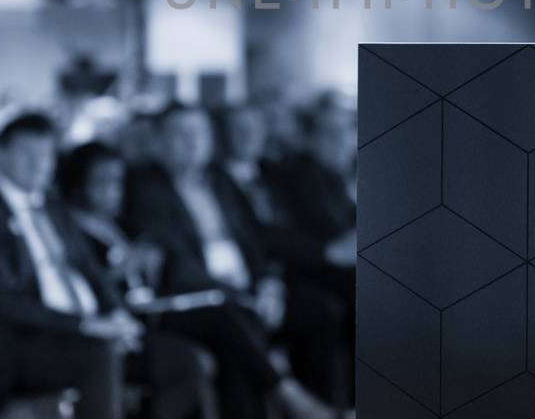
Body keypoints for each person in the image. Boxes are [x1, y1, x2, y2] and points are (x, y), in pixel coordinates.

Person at [0, 111, 203, 419]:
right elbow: (1, 301)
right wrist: (84, 326)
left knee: (179, 358)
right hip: (18, 347)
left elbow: (90, 269)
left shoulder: (53, 209)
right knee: (98, 356)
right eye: (26, 154)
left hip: (82, 331)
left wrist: (116, 313)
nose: (38, 164)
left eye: (46, 155)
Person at [60, 141, 338, 419]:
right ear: (79, 182)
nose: (112, 190)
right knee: (223, 320)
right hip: (133, 318)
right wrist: (121, 272)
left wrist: (148, 262)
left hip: (155, 305)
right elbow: (84, 286)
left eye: (117, 180)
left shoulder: (119, 224)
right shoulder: (72, 229)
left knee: (237, 326)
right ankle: (286, 393)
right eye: (102, 181)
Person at [125, 106, 349, 417]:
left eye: (199, 133)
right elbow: (176, 263)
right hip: (197, 297)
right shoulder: (146, 189)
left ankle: (329, 405)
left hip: (247, 286)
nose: (192, 142)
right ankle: (292, 399)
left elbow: (253, 239)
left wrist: (269, 284)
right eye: (181, 134)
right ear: (160, 141)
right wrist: (237, 295)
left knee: (320, 309)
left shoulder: (220, 181)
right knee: (236, 324)